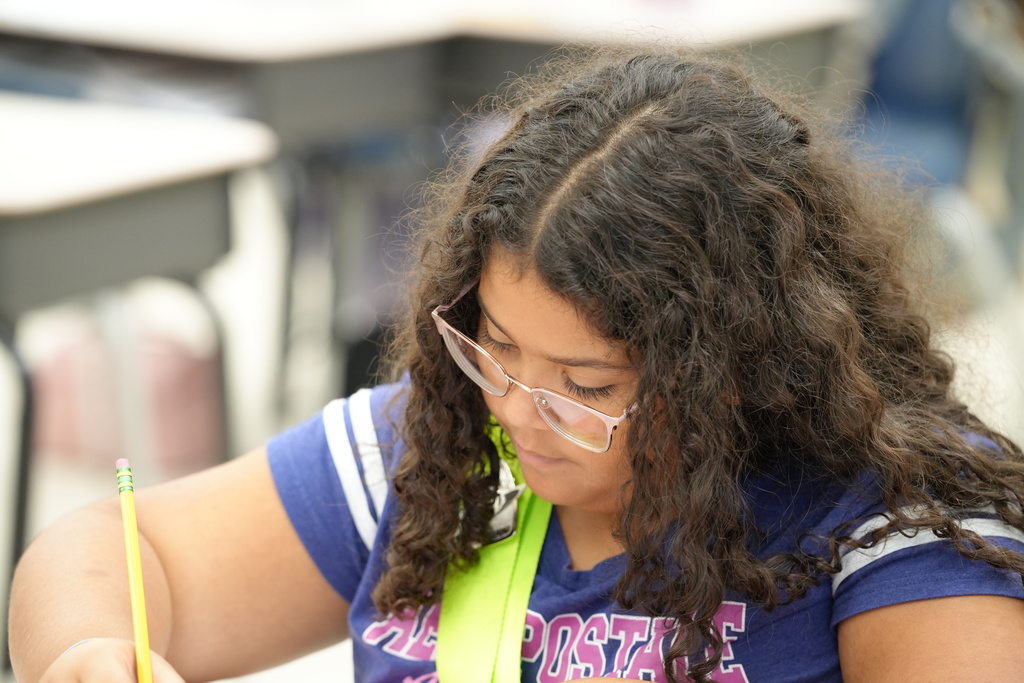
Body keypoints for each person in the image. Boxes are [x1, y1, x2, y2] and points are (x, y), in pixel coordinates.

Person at [10, 44, 1024, 683]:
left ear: (738, 370)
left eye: (586, 387)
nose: (520, 408)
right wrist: (89, 651)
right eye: (491, 344)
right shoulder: (444, 446)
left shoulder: (899, 528)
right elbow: (117, 547)